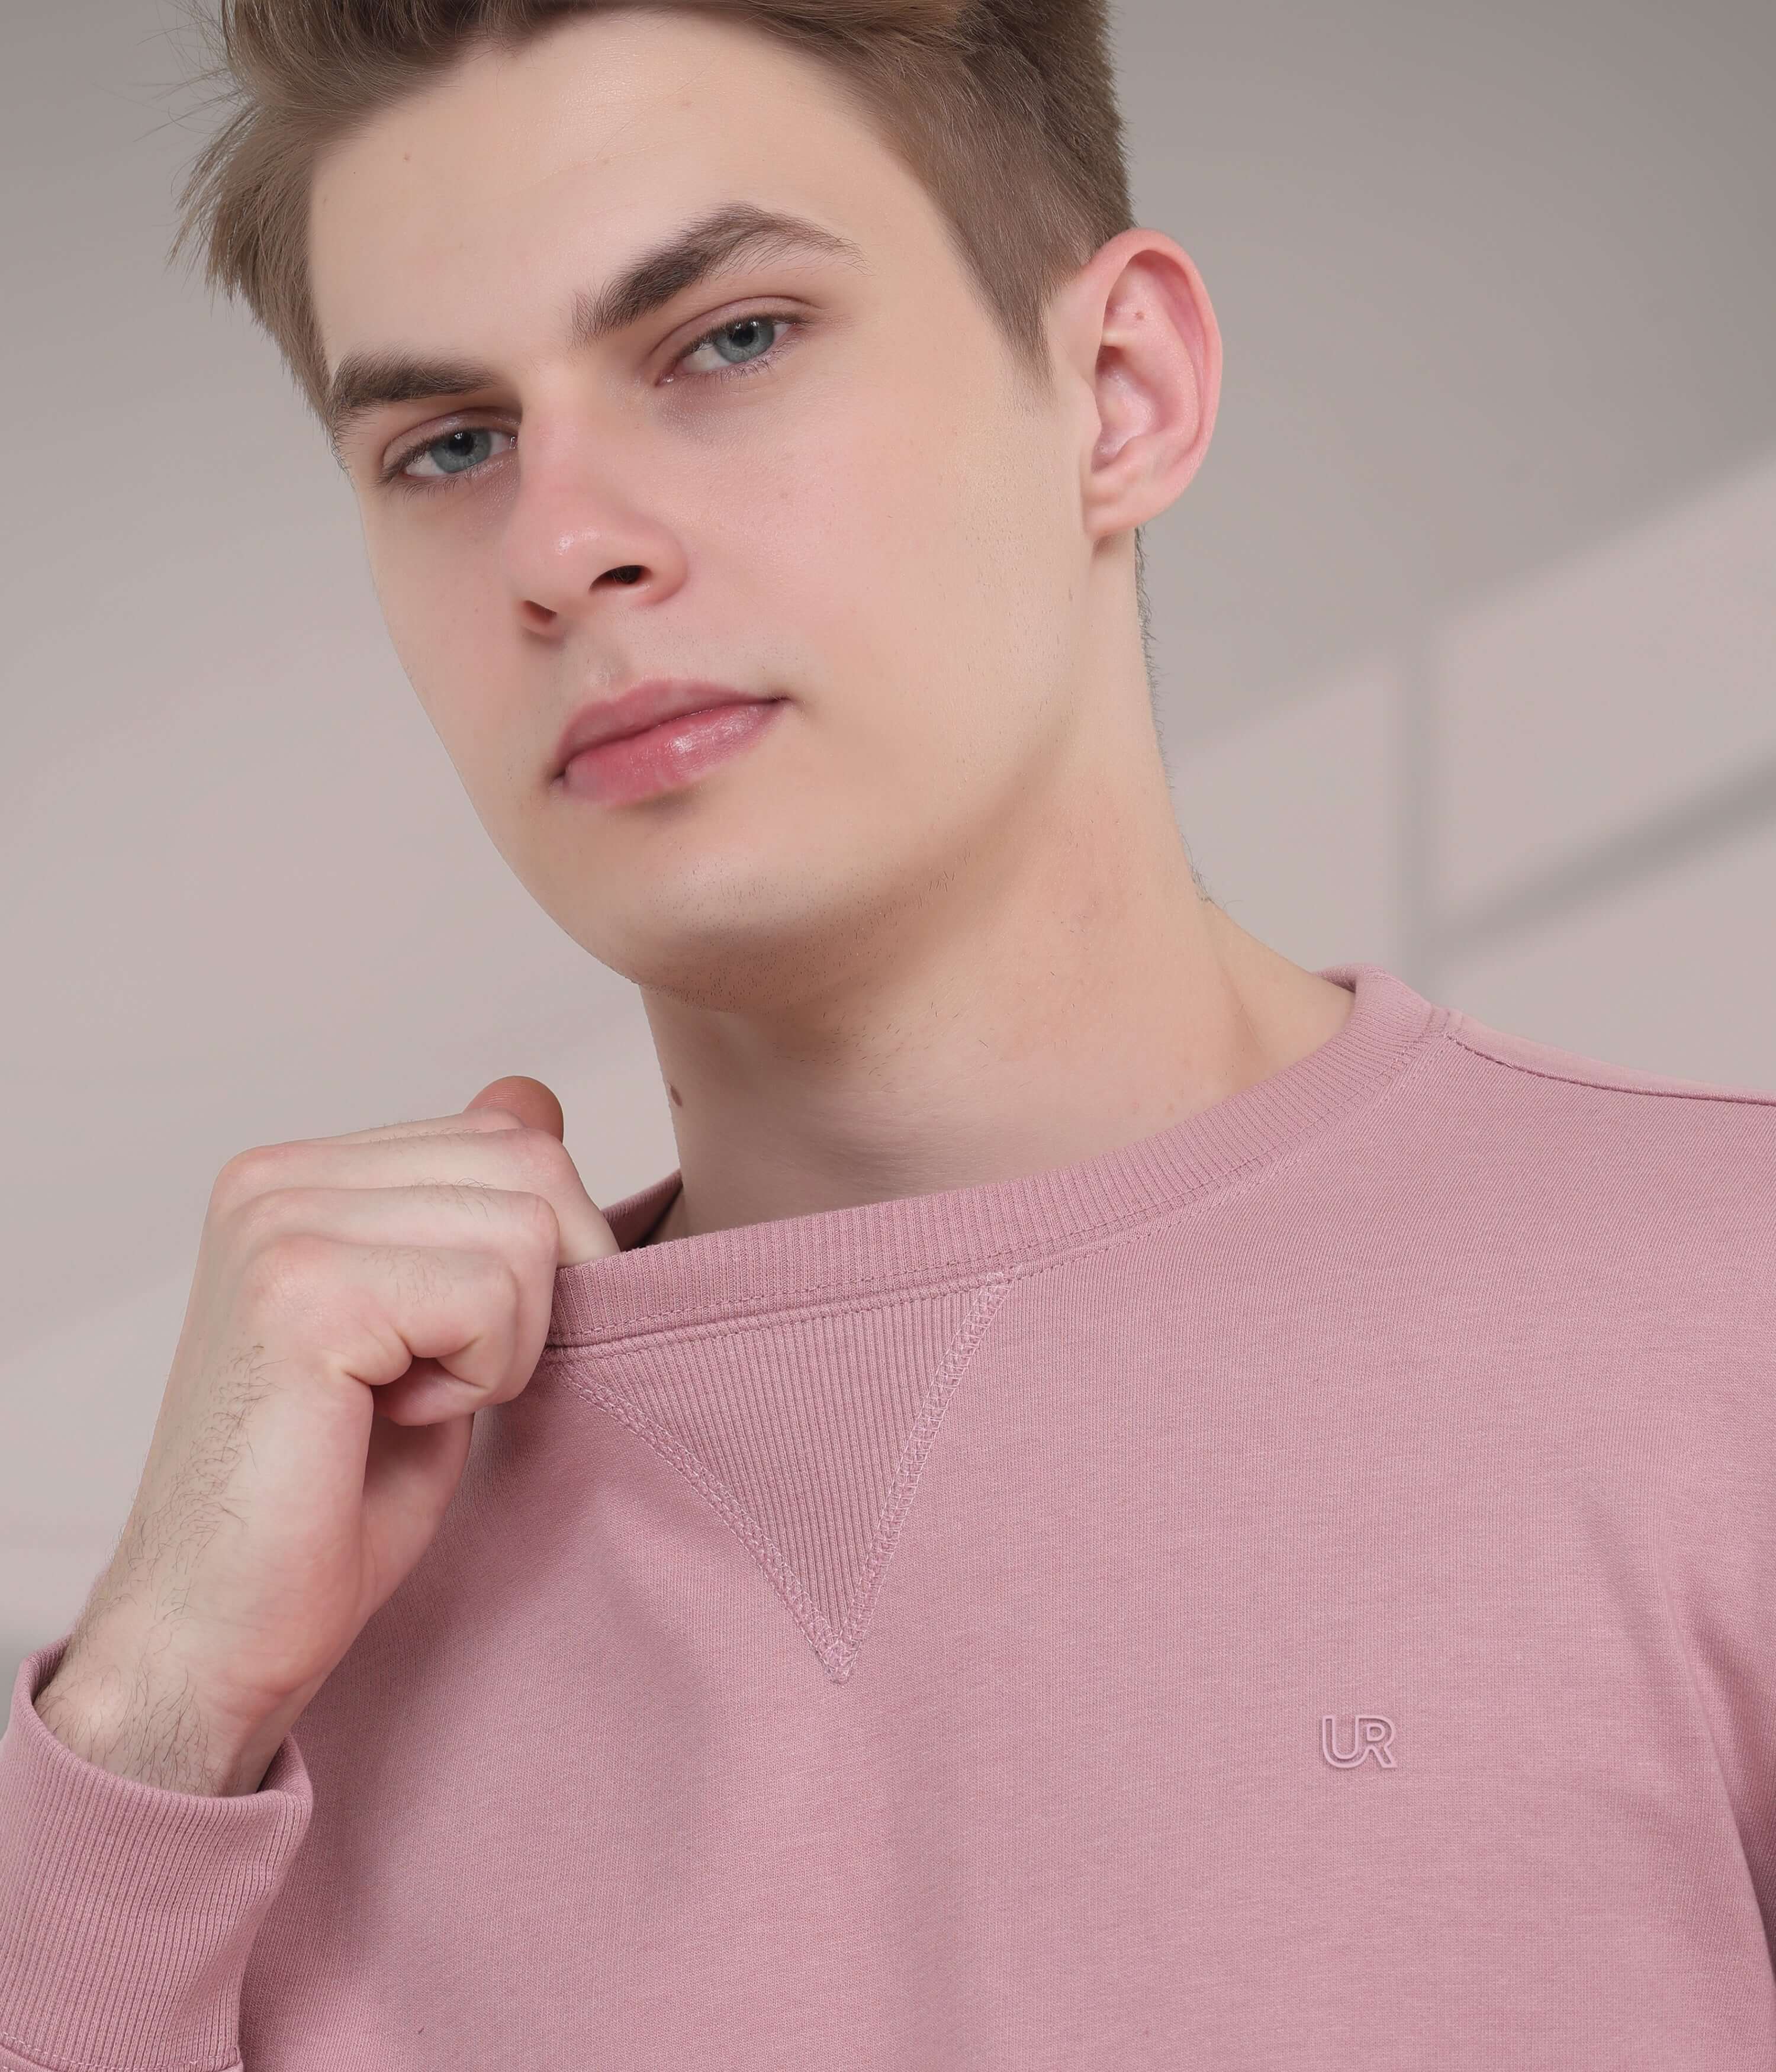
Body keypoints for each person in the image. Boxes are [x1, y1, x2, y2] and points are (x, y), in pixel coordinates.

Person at [2, 2, 1773, 2065]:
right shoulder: (267, 1644)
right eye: (449, 446)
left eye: (729, 339)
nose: (567, 546)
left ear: (1119, 392)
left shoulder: (1723, 1321)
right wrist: (153, 1723)